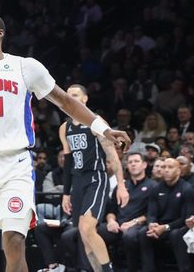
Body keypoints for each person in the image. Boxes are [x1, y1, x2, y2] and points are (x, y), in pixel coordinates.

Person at [0, 13, 130, 272]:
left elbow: (65, 101)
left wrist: (104, 129)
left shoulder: (25, 66)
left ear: (0, 33)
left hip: (15, 164)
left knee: (15, 240)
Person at [60, 85, 128, 272]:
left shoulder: (96, 123)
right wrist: (66, 193)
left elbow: (113, 156)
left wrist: (121, 185)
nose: (70, 98)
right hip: (78, 181)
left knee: (88, 228)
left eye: (75, 95)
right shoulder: (64, 128)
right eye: (68, 95)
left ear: (85, 99)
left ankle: (108, 270)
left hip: (96, 178)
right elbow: (67, 163)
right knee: (84, 233)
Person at [99, 152, 156, 272]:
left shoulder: (153, 186)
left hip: (139, 224)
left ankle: (132, 269)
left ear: (144, 165)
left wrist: (133, 222)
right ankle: (101, 267)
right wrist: (111, 221)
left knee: (129, 235)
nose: (133, 165)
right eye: (130, 162)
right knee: (93, 231)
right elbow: (111, 209)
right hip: (118, 223)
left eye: (136, 161)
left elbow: (151, 214)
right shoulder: (121, 186)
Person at [138, 158, 194, 272]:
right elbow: (151, 212)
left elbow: (187, 218)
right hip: (160, 226)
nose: (166, 170)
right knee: (143, 233)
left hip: (179, 226)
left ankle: (185, 269)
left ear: (179, 171)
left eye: (170, 167)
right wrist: (152, 224)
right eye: (164, 167)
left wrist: (165, 227)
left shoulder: (187, 188)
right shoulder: (156, 188)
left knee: (176, 234)